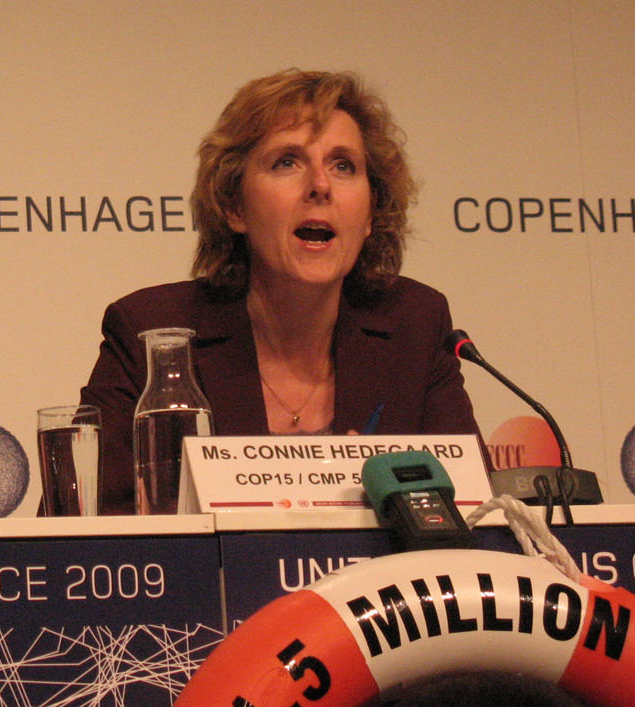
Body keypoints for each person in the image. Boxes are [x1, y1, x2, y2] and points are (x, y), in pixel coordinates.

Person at [81, 69, 482, 515]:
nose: (320, 185)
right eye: (287, 162)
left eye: (343, 165)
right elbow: (81, 540)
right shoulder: (151, 332)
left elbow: (475, 518)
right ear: (234, 205)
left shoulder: (417, 325)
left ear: (371, 212)